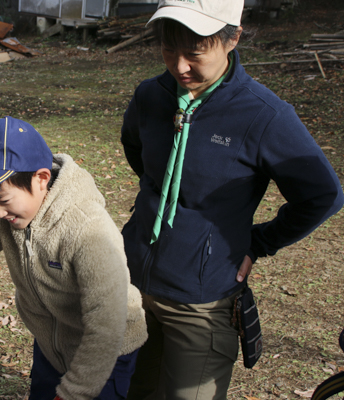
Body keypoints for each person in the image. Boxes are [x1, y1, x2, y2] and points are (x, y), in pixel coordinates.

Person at [120, 0, 344, 398]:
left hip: (201, 302)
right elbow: (137, 151)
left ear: (232, 38)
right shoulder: (150, 96)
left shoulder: (263, 115)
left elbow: (322, 195)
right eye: (169, 49)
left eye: (194, 52)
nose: (180, 65)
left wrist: (258, 242)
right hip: (133, 285)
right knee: (131, 388)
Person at [0, 116, 148, 400]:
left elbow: (108, 323)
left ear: (41, 178)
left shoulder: (86, 228)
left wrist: (74, 392)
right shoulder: (10, 213)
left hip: (106, 351)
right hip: (52, 343)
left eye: (2, 200)